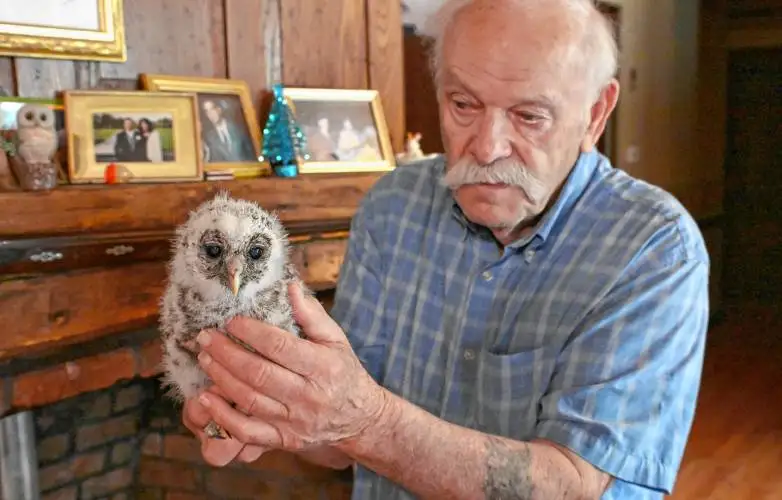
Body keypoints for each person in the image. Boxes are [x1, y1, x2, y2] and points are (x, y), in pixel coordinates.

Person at [181, 0, 710, 498]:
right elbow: (338, 439)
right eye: (463, 104)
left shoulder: (654, 249)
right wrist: (271, 413)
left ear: (596, 115)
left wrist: (367, 420)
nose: (487, 146)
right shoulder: (393, 207)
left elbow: (572, 485)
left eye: (529, 117)